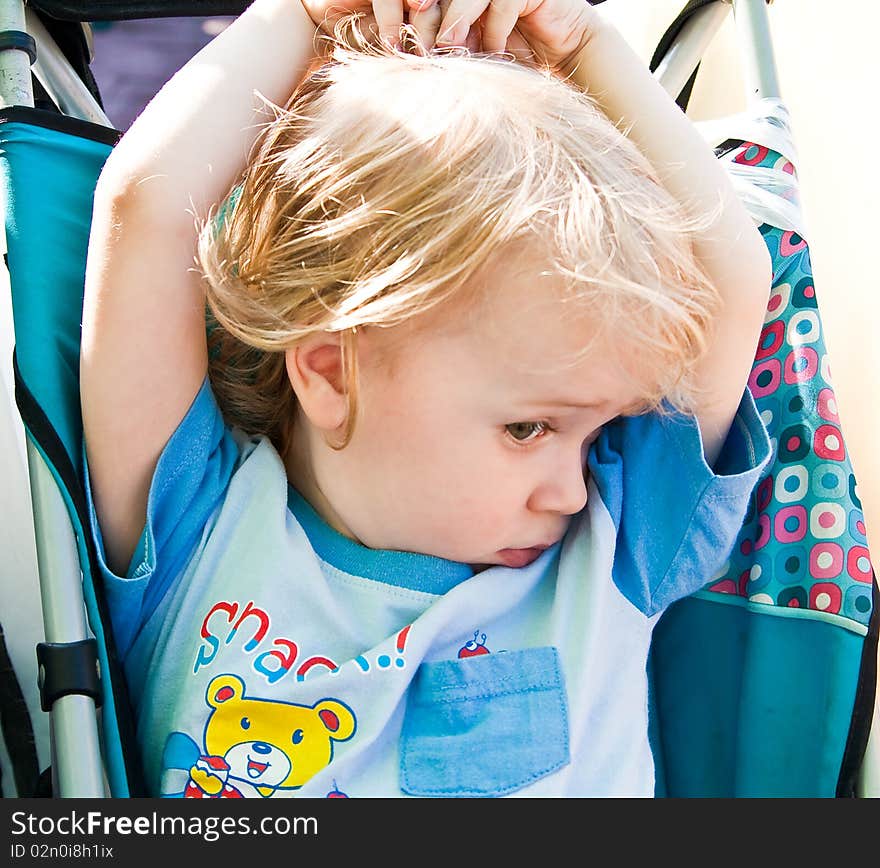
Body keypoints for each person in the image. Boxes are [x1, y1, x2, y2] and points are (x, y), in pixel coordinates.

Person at [80, 0, 773, 798]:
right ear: (333, 373)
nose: (574, 487)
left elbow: (732, 282)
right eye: (528, 428)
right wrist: (302, 14)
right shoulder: (196, 526)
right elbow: (147, 209)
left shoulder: (615, 548)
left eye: (593, 435)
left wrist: (586, 45)